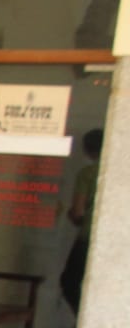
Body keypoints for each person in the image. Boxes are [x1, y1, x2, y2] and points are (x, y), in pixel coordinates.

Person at [61, 127, 103, 315]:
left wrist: (70, 214)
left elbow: (78, 212)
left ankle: (83, 321)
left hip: (88, 237)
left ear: (87, 150)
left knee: (70, 281)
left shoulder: (88, 173)